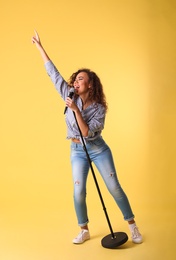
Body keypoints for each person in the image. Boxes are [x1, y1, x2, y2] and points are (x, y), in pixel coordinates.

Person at [32, 31, 143, 244]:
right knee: (79, 190)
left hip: (97, 148)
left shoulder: (99, 109)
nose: (75, 82)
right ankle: (84, 229)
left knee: (113, 187)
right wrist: (39, 47)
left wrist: (75, 110)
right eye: (75, 79)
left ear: (90, 85)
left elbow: (86, 132)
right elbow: (53, 74)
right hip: (76, 151)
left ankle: (132, 225)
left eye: (80, 79)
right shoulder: (69, 94)